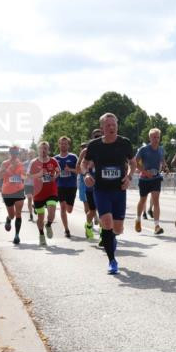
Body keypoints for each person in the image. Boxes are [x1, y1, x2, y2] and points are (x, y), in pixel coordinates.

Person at [81, 113, 135, 274]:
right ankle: (112, 260)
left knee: (117, 229)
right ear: (102, 127)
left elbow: (132, 162)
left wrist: (129, 176)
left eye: (114, 125)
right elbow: (84, 163)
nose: (111, 128)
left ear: (117, 125)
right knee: (106, 223)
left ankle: (112, 238)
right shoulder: (94, 145)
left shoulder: (124, 143)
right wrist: (87, 175)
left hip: (119, 190)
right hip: (101, 190)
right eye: (108, 125)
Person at [135, 128, 167, 235]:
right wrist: (145, 172)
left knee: (156, 200)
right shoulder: (143, 149)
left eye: (158, 137)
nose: (156, 139)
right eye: (154, 137)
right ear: (149, 138)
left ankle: (157, 226)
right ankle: (138, 219)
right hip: (144, 179)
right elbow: (135, 163)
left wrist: (165, 167)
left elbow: (162, 160)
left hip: (155, 178)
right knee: (143, 200)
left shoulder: (161, 149)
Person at [28, 141, 60, 246]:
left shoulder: (53, 161)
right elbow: (28, 176)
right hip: (38, 193)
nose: (43, 150)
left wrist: (54, 177)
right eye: (41, 148)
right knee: (40, 217)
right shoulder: (34, 162)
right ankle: (41, 235)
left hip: (51, 190)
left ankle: (49, 225)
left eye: (45, 148)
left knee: (51, 213)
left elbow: (58, 171)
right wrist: (39, 174)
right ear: (38, 150)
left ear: (48, 149)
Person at [0, 147, 27, 245]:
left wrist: (21, 176)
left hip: (19, 190)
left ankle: (17, 235)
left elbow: (25, 177)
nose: (14, 155)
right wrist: (3, 171)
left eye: (16, 153)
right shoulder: (4, 163)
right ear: (10, 153)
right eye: (13, 153)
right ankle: (8, 219)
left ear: (18, 154)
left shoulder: (21, 164)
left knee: (18, 213)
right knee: (12, 215)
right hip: (7, 192)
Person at [78, 129, 102, 241]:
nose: (98, 137)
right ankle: (88, 226)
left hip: (104, 185)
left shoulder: (107, 149)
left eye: (100, 136)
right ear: (92, 137)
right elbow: (79, 166)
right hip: (90, 185)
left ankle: (103, 236)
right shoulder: (86, 151)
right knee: (92, 211)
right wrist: (86, 173)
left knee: (104, 211)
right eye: (96, 136)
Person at [54, 137, 79, 238]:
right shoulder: (55, 159)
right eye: (61, 143)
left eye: (65, 144)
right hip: (60, 186)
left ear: (68, 145)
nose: (63, 145)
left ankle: (66, 228)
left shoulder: (73, 157)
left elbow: (79, 171)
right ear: (59, 145)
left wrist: (70, 169)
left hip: (71, 186)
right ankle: (66, 229)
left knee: (69, 210)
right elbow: (53, 172)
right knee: (63, 207)